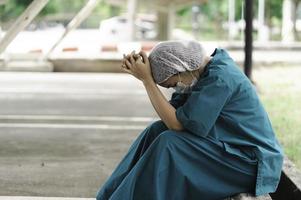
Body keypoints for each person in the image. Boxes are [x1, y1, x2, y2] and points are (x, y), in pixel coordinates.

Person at [95, 40, 284, 200]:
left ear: (180, 69)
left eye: (172, 84)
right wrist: (147, 72)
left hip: (249, 164)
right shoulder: (201, 74)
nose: (175, 89)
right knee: (156, 130)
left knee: (169, 143)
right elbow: (172, 116)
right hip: (231, 153)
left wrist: (148, 82)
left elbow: (177, 125)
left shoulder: (220, 79)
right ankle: (110, 195)